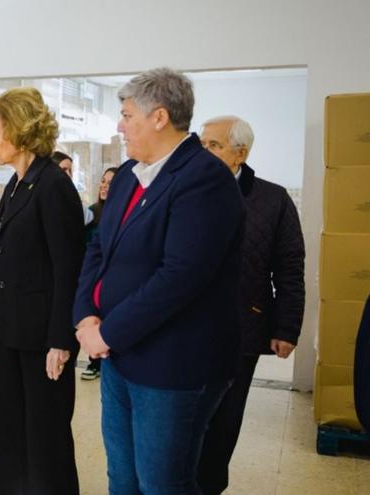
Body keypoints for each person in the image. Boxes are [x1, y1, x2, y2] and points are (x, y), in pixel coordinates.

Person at [73, 68, 245, 495]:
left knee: (163, 484)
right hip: (120, 358)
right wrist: (85, 317)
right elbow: (98, 247)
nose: (119, 125)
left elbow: (180, 277)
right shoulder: (131, 172)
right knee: (124, 479)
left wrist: (107, 332)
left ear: (159, 117)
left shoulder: (205, 179)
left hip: (173, 366)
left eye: (127, 114)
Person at [0, 87, 85, 494]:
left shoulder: (52, 186)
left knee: (45, 440)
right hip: (9, 334)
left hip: (43, 340)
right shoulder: (16, 184)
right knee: (9, 434)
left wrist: (62, 340)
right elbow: (0, 264)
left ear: (21, 130)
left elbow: (68, 269)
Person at [197, 115, 305, 495]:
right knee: (184, 417)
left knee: (224, 418)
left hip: (244, 326)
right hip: (187, 329)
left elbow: (289, 268)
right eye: (201, 143)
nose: (203, 151)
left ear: (239, 154)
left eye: (214, 145)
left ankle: (210, 485)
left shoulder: (272, 200)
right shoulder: (187, 191)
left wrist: (286, 328)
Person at [79, 166, 118, 381]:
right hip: (92, 277)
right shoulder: (92, 214)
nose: (104, 186)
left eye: (110, 183)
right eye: (103, 181)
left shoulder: (123, 214)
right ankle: (94, 361)